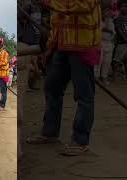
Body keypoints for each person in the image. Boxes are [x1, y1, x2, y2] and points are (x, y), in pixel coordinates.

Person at [27, 0, 102, 156]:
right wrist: (50, 47)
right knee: (52, 89)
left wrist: (48, 2)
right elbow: (57, 21)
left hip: (82, 45)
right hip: (61, 45)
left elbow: (84, 5)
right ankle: (50, 132)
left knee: (84, 95)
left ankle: (80, 141)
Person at [95, 8, 115, 85]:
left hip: (109, 43)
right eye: (106, 12)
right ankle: (96, 78)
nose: (107, 14)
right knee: (98, 62)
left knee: (107, 62)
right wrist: (106, 30)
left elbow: (113, 33)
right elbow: (99, 31)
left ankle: (104, 77)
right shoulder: (98, 21)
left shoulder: (111, 22)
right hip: (100, 43)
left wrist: (107, 30)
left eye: (109, 12)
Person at [113, 0, 127, 79]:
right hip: (121, 43)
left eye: (126, 6)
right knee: (117, 60)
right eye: (123, 6)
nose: (125, 8)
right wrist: (125, 39)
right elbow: (119, 30)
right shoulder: (118, 18)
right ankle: (115, 76)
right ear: (120, 8)